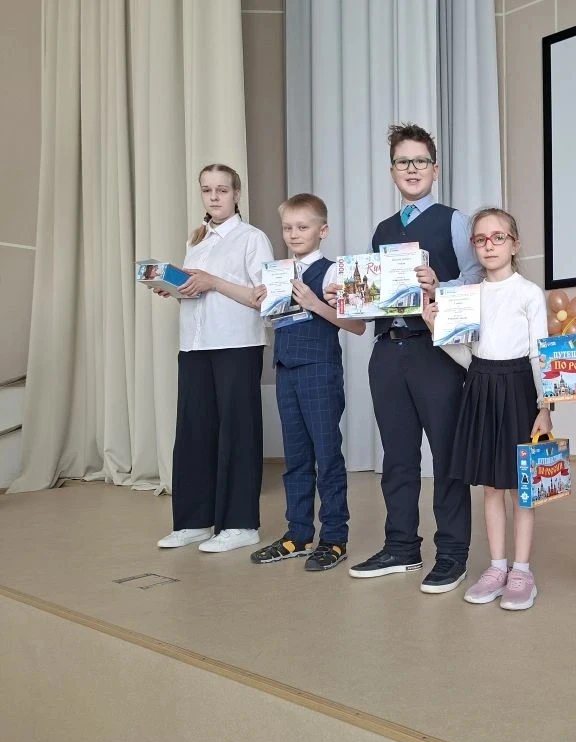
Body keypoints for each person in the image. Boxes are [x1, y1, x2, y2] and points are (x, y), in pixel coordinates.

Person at [333, 123, 483, 594]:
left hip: (436, 352)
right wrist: (346, 296)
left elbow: (478, 280)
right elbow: (375, 298)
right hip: (387, 352)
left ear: (435, 170)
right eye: (403, 162)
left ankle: (452, 554)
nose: (412, 169)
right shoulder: (382, 230)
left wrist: (440, 285)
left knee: (447, 456)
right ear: (392, 171)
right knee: (397, 457)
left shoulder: (455, 221)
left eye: (420, 161)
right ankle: (400, 546)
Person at [423, 208, 550, 610]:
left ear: (514, 244)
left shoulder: (529, 293)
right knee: (491, 486)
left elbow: (539, 354)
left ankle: (522, 571)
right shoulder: (468, 296)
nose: (489, 246)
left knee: (521, 487)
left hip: (519, 389)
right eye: (480, 239)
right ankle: (496, 567)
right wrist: (436, 330)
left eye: (498, 237)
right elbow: (468, 357)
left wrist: (544, 405)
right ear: (473, 246)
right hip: (480, 387)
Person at [155, 163, 273, 553]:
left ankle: (241, 524)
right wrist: (175, 289)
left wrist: (213, 282)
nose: (214, 196)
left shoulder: (252, 238)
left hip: (236, 345)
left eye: (222, 189)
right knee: (193, 431)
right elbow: (200, 294)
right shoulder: (198, 241)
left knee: (237, 432)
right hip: (194, 345)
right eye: (207, 190)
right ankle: (194, 521)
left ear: (236, 194)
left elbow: (264, 297)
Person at [249, 194, 365, 570]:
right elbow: (276, 319)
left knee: (326, 456)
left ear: (322, 230)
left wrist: (315, 303)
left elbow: (358, 326)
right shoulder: (277, 273)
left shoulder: (333, 273)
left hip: (319, 370)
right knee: (295, 458)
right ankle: (298, 533)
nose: (294, 234)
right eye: (287, 227)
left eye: (302, 227)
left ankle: (334, 538)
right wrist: (264, 301)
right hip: (286, 368)